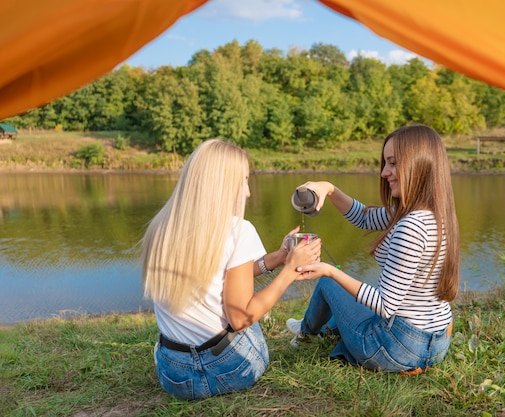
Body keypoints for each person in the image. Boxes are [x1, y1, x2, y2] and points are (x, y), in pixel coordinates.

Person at [141, 139, 322, 400]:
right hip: (230, 370)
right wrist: (290, 271)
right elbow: (240, 318)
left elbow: (214, 278)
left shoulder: (162, 226)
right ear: (222, 184)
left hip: (174, 375)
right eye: (244, 181)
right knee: (252, 319)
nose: (248, 192)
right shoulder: (238, 229)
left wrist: (277, 258)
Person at [287, 124, 460, 375]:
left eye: (392, 163)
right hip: (437, 341)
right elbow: (364, 217)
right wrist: (329, 189)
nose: (384, 172)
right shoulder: (433, 214)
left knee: (329, 284)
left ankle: (305, 333)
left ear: (418, 164)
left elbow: (385, 305)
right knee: (349, 299)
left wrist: (329, 271)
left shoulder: (410, 226)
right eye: (385, 163)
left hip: (399, 347)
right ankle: (318, 328)